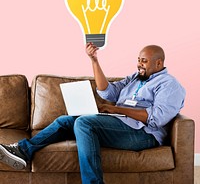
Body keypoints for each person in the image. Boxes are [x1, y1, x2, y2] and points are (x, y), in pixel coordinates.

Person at [0, 43, 185, 184]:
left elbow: (157, 117)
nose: (139, 64)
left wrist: (116, 109)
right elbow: (108, 91)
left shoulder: (169, 85)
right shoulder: (135, 78)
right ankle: (23, 151)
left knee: (84, 123)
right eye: (138, 59)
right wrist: (94, 60)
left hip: (143, 134)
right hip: (120, 124)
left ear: (159, 62)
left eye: (143, 61)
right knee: (66, 121)